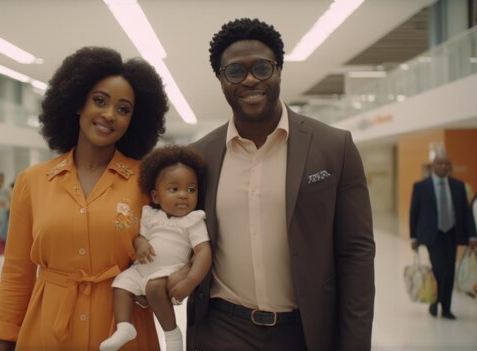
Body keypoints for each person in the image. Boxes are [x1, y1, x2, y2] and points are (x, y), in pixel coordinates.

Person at [187, 18, 375, 350]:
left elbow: (356, 253)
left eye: (261, 68)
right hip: (221, 330)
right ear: (220, 78)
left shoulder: (334, 147)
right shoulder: (199, 157)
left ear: (279, 71)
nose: (249, 80)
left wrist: (355, 342)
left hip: (305, 332)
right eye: (234, 71)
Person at [0, 46, 168, 351]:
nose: (109, 115)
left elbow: (168, 252)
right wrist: (5, 341)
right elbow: (17, 273)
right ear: (77, 103)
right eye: (99, 101)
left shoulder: (147, 181)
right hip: (48, 332)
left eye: (123, 109)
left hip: (124, 330)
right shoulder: (32, 182)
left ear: (134, 120)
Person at [101, 145, 212, 351]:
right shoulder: (151, 215)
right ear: (156, 197)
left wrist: (190, 281)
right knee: (121, 285)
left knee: (153, 287)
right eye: (174, 189)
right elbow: (140, 237)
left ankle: (172, 335)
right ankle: (124, 327)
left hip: (168, 271)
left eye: (191, 189)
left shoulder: (193, 221)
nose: (183, 195)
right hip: (141, 269)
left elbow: (203, 252)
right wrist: (140, 243)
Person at [410, 153, 477, 319]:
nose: (444, 167)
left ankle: (446, 308)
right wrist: (413, 237)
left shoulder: (458, 186)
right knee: (441, 270)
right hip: (433, 235)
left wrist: (472, 236)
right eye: (441, 164)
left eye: (447, 164)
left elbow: (466, 213)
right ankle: (435, 302)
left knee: (449, 272)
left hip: (452, 234)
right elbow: (414, 212)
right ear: (434, 166)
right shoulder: (421, 187)